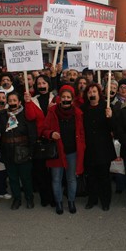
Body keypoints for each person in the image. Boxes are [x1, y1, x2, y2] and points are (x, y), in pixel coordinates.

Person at [40, 85, 85, 215]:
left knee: (71, 178)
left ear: (72, 99)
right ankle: (59, 202)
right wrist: (50, 134)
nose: (66, 99)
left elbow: (81, 132)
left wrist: (82, 146)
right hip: (57, 152)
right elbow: (43, 129)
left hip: (72, 152)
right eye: (63, 97)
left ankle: (71, 201)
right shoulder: (52, 111)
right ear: (59, 98)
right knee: (56, 179)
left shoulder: (77, 113)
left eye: (68, 97)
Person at [0, 91, 37, 210]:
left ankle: (29, 198)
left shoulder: (26, 114)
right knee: (13, 178)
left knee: (26, 178)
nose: (12, 103)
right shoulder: (2, 115)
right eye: (10, 101)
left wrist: (31, 152)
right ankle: (17, 199)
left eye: (14, 100)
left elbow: (32, 134)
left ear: (19, 102)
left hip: (24, 151)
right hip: (8, 151)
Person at [81, 83, 115, 211]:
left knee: (104, 176)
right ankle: (92, 199)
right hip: (88, 148)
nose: (92, 94)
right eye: (89, 92)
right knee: (91, 176)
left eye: (94, 91)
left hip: (103, 148)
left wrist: (110, 117)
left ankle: (105, 200)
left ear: (99, 93)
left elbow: (113, 128)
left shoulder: (106, 107)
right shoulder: (83, 109)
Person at [29, 75, 56, 207]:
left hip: (53, 139)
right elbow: (30, 117)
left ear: (48, 84)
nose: (41, 85)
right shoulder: (33, 100)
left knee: (54, 172)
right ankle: (45, 197)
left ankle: (54, 197)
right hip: (39, 141)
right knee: (40, 172)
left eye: (44, 82)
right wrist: (27, 102)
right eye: (38, 83)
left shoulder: (56, 98)